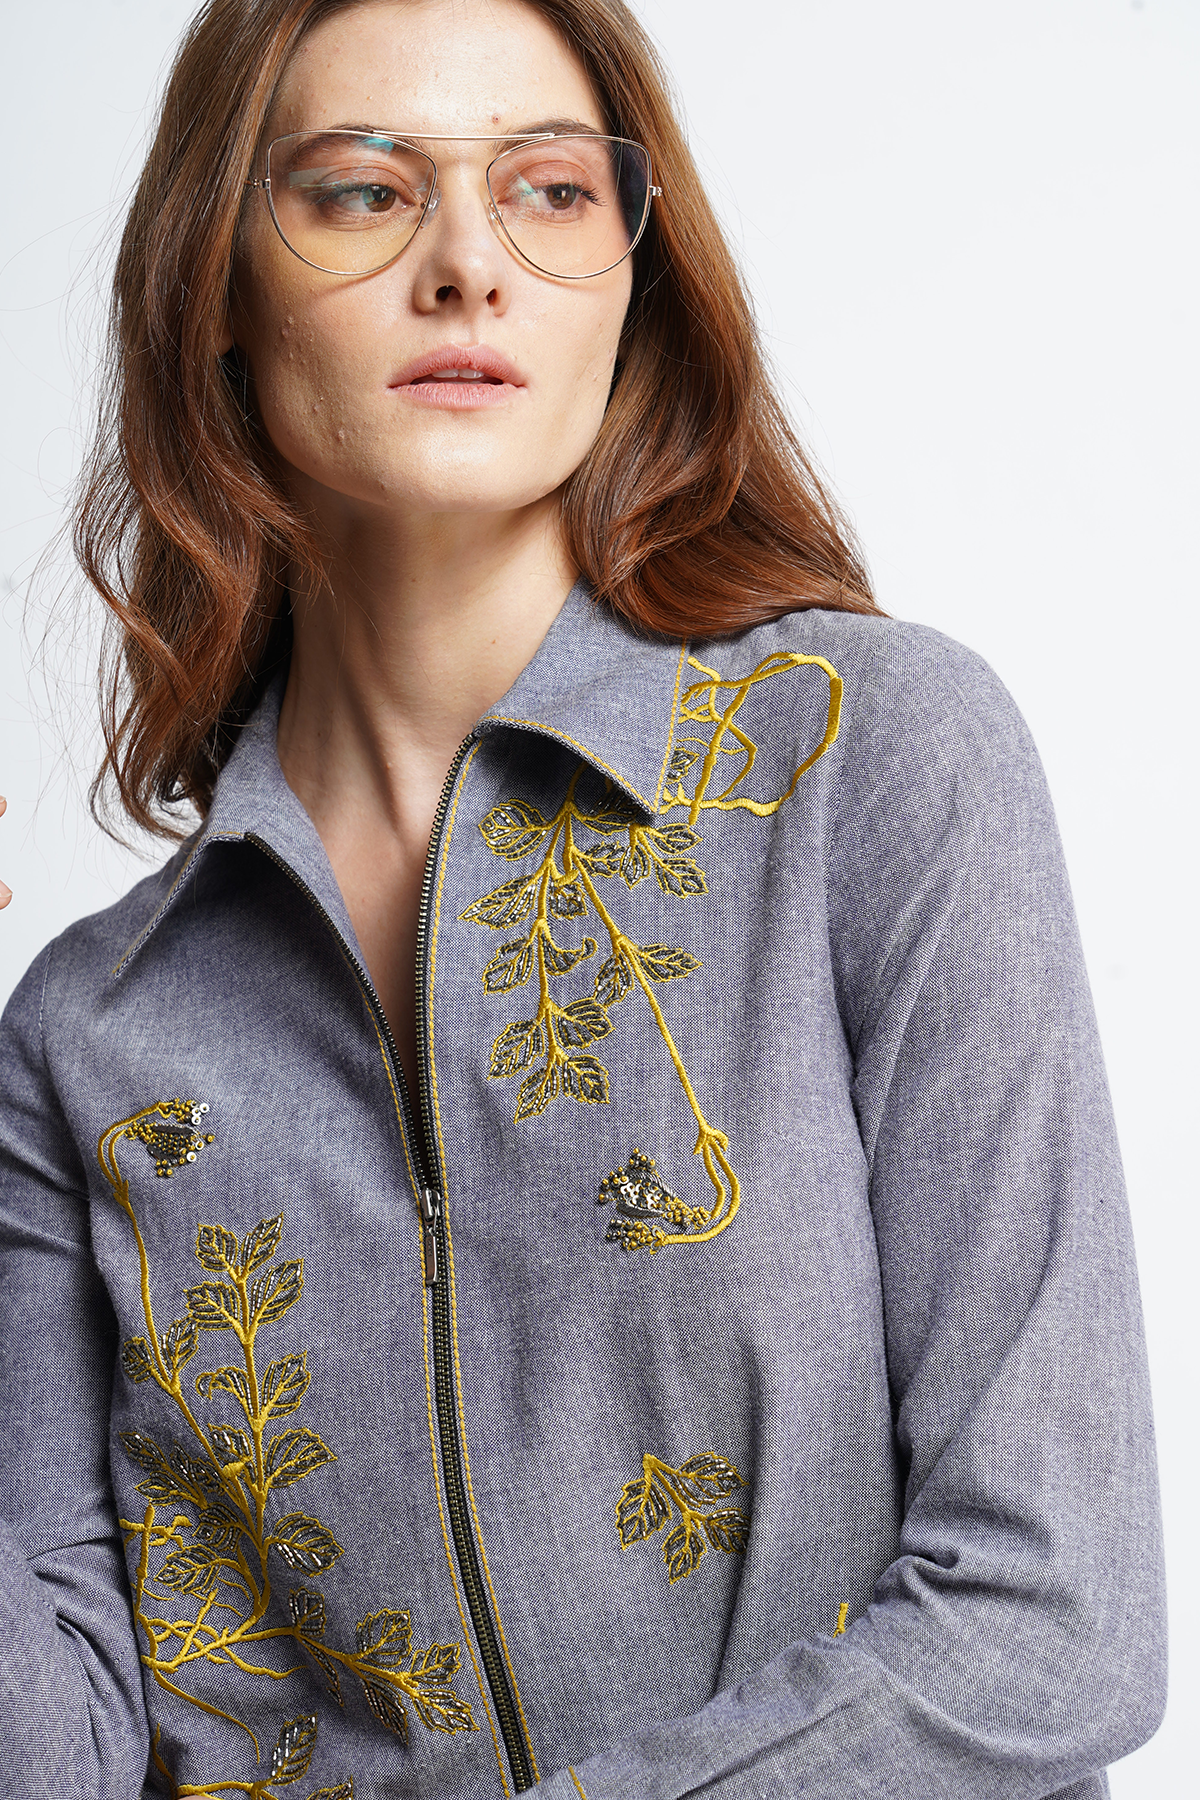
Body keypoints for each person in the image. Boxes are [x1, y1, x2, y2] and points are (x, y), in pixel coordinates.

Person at [0, 0, 1166, 1796]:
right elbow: (55, 1747)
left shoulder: (866, 762)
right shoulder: (89, 1037)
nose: (468, 264)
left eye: (549, 190)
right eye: (362, 190)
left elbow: (1052, 1625)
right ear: (213, 281)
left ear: (633, 275)